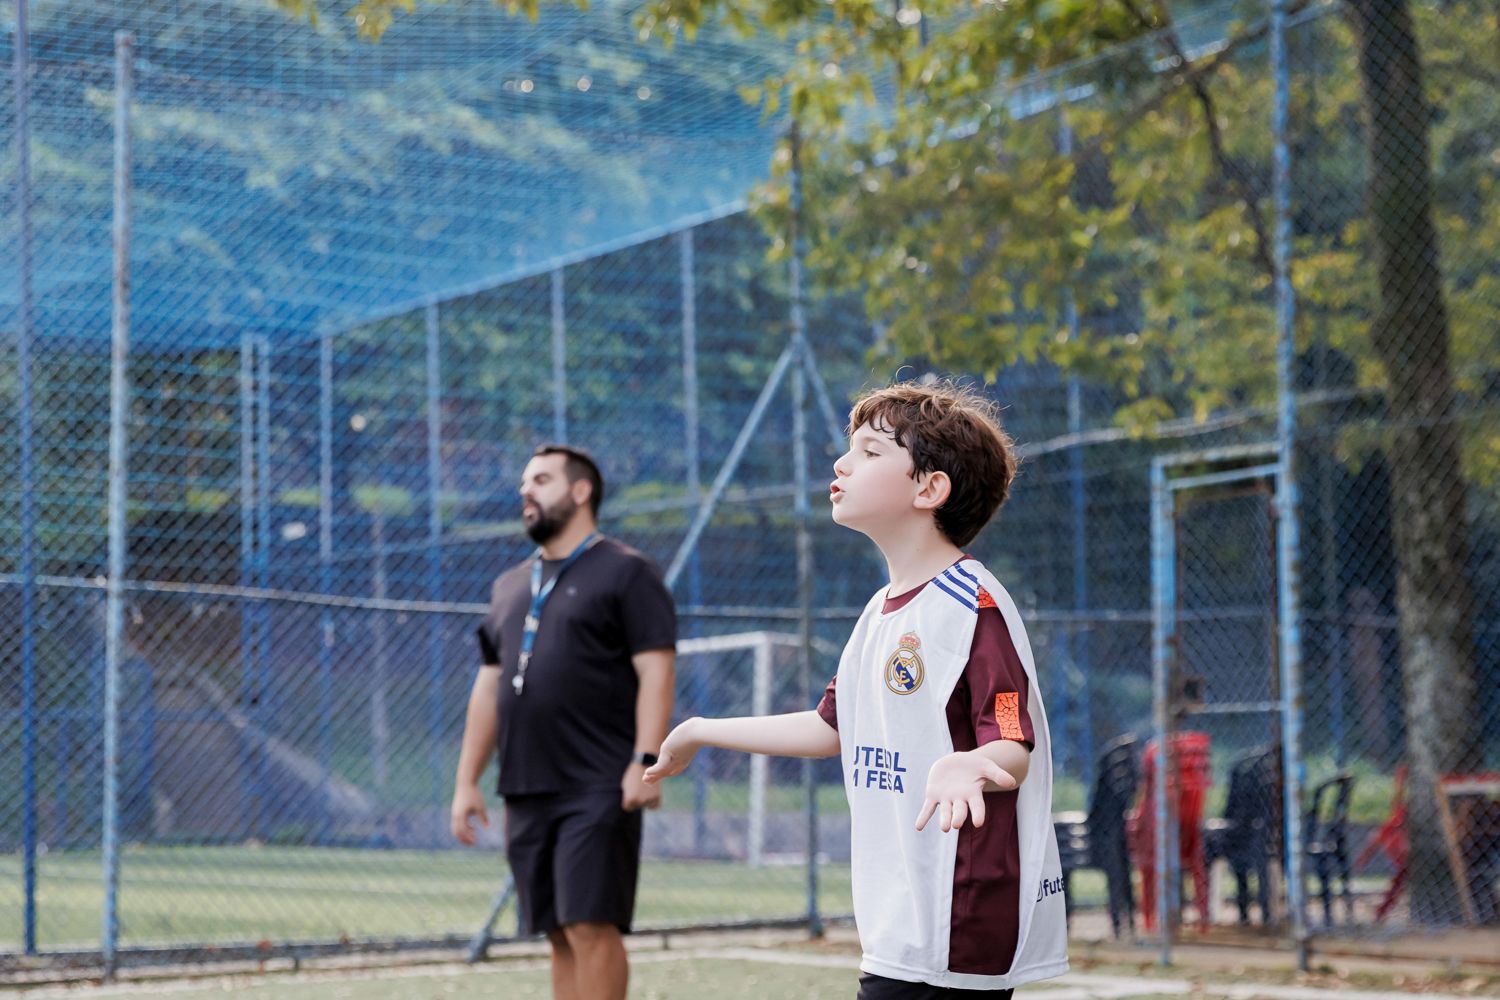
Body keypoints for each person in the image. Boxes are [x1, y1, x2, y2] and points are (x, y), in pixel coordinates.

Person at [645, 380, 1068, 998]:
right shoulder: (880, 613)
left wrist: (971, 766)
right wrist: (698, 731)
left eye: (871, 452)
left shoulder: (971, 606)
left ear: (929, 488)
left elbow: (1011, 743)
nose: (842, 463)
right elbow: (829, 728)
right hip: (899, 913)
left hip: (957, 912)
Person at [451, 444, 676, 1000]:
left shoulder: (628, 572)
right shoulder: (508, 586)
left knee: (590, 923)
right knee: (556, 931)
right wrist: (466, 782)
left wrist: (644, 762)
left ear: (581, 491)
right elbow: (488, 687)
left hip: (598, 782)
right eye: (525, 482)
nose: (526, 490)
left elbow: (657, 671)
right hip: (526, 785)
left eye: (542, 479)